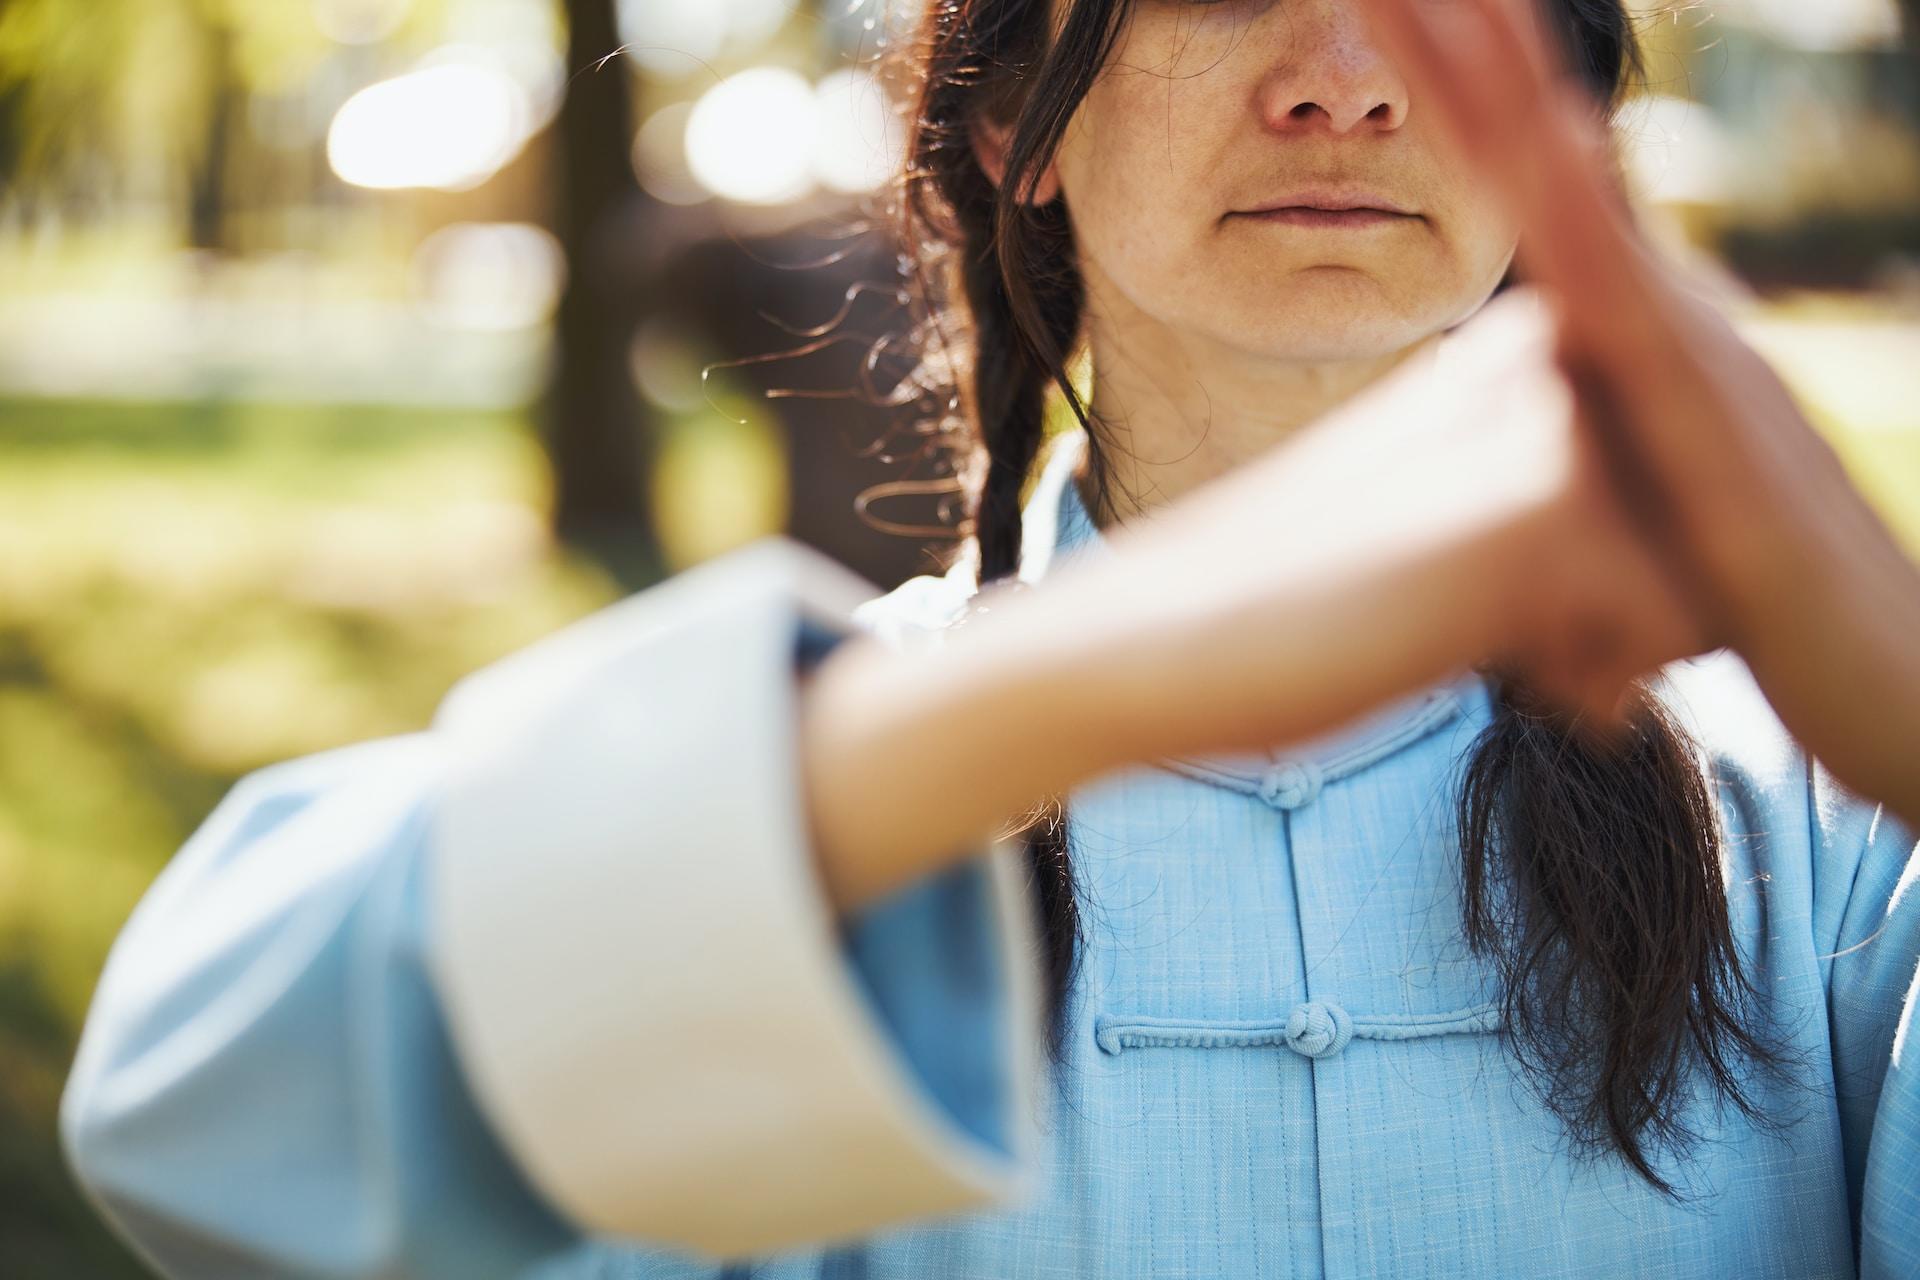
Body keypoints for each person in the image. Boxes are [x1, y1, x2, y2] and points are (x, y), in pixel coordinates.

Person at [59, 0, 1920, 1276]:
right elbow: (200, 1123)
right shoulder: (826, 787)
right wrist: (1088, 681)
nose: (1346, 76)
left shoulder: (1828, 833)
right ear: (1017, 113)